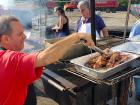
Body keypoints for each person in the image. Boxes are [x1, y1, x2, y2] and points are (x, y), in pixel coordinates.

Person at [0, 15, 94, 105]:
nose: (24, 36)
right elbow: (45, 58)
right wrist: (76, 36)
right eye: (20, 34)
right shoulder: (9, 60)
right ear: (6, 39)